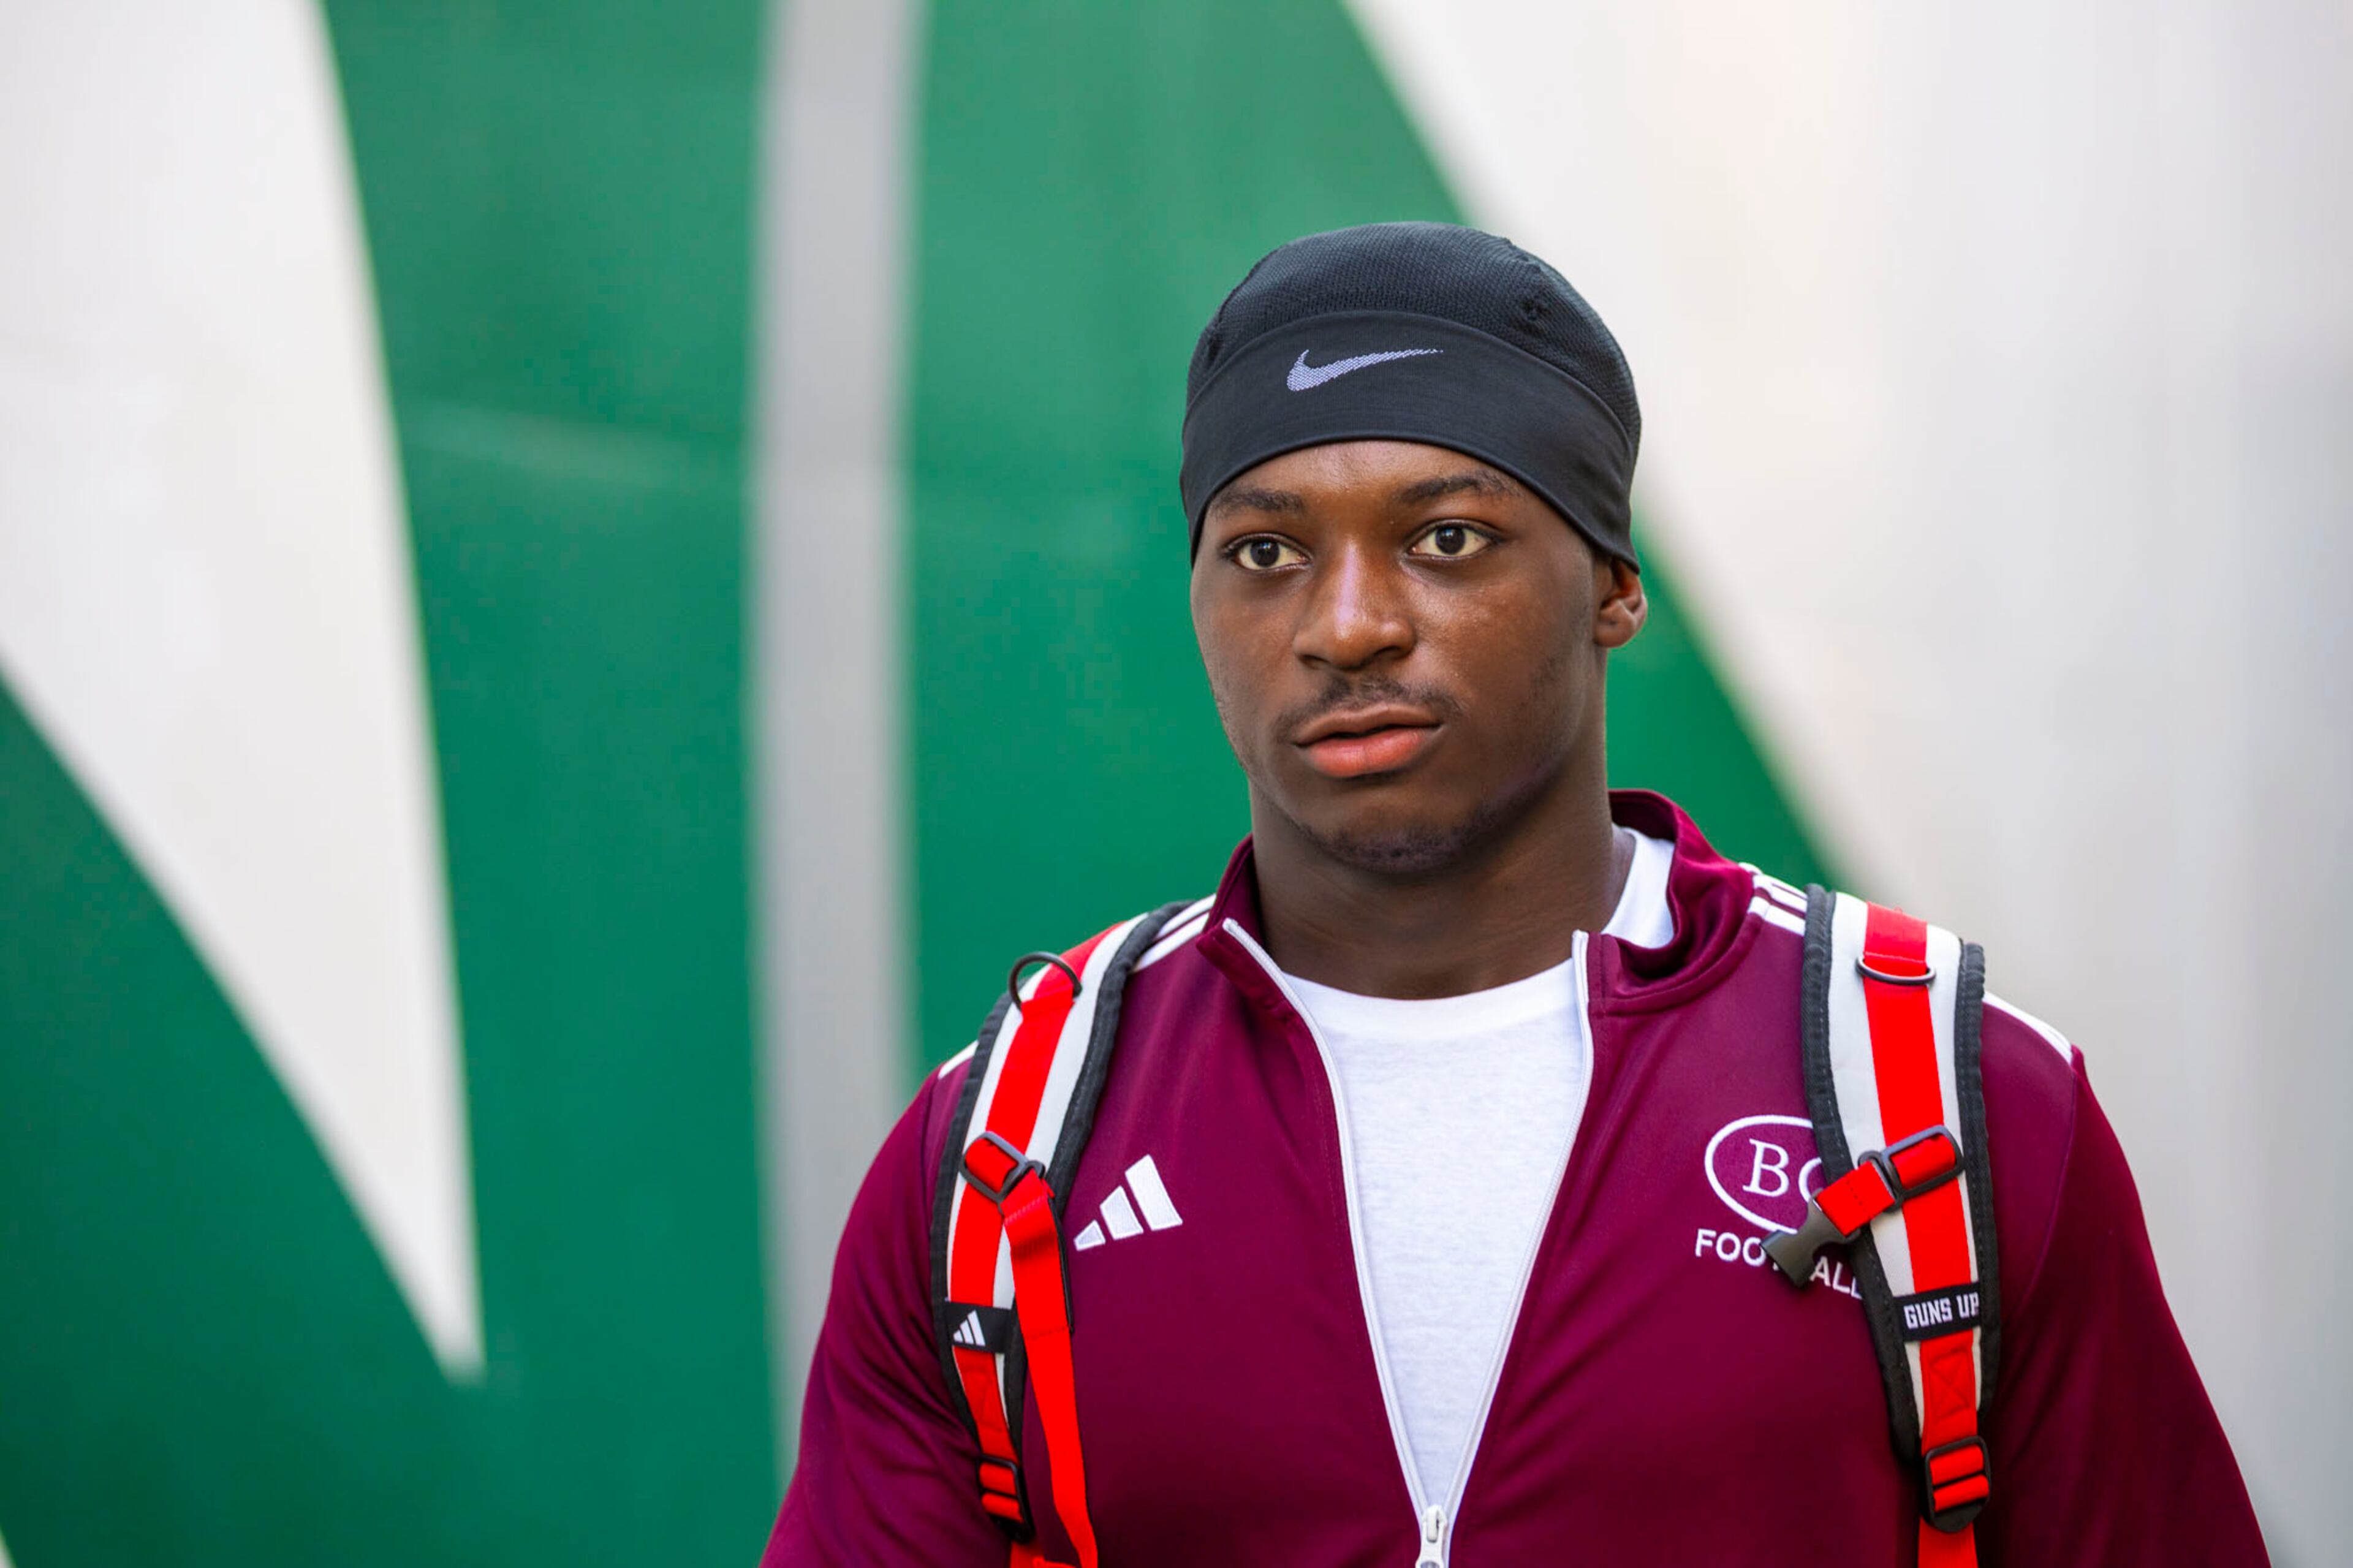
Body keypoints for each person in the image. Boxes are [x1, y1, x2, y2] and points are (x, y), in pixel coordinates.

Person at [761, 223, 2265, 1565]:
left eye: (1447, 538)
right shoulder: (1001, 1150)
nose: (1346, 625)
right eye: (1267, 550)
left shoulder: (1948, 1098)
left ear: (1612, 581)